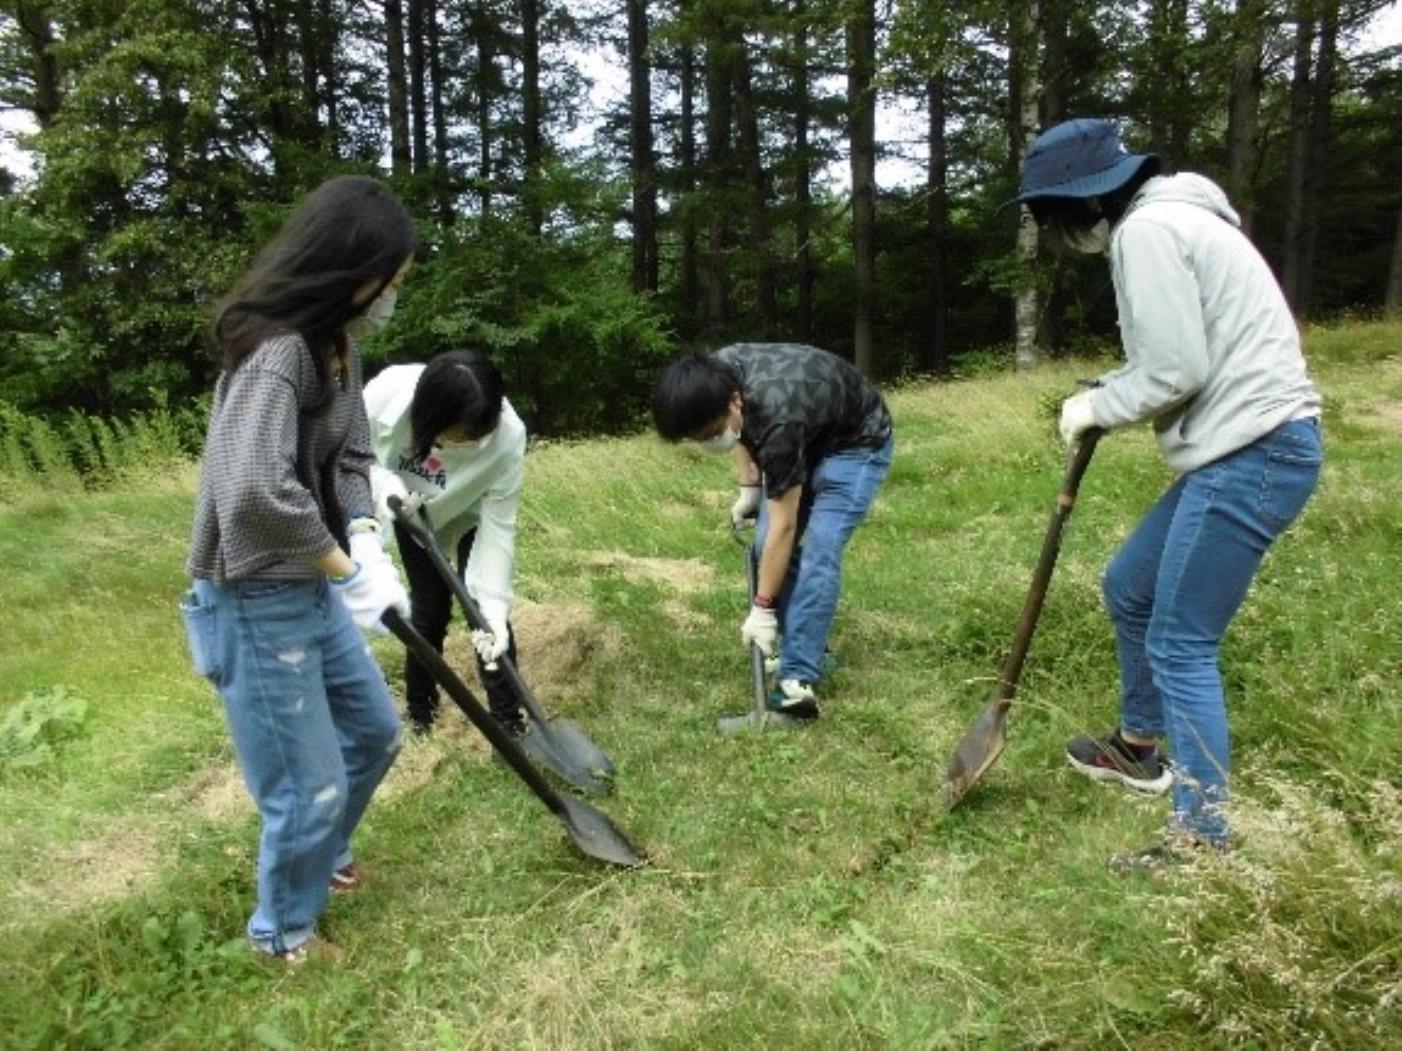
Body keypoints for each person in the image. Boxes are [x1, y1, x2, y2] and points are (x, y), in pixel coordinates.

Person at [1013, 118, 1324, 869]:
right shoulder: (1179, 216)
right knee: (1130, 585)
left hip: (1255, 451)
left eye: (1052, 214)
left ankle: (1203, 840)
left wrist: (1101, 407)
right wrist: (1113, 388)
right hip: (1243, 446)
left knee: (1182, 642)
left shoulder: (1147, 232)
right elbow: (1184, 353)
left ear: (1082, 201)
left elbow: (1175, 370)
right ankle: (1138, 748)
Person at [180, 175, 416, 962]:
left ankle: (322, 855)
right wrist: (341, 564)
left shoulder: (340, 348)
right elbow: (252, 489)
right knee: (304, 784)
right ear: (352, 269)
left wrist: (367, 532)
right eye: (392, 279)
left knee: (377, 734)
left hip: (309, 583)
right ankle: (281, 933)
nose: (392, 295)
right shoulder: (277, 353)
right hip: (254, 596)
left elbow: (350, 456)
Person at [653, 344, 894, 721]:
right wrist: (749, 487)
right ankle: (815, 647)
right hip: (807, 434)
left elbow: (785, 525)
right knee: (762, 548)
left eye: (713, 432)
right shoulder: (718, 373)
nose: (711, 441)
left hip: (856, 443)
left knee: (819, 549)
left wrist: (763, 609)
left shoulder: (778, 417)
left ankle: (797, 682)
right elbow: (742, 434)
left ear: (735, 401)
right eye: (700, 438)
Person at [363, 350, 528, 737]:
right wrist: (383, 483)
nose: (463, 442)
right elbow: (349, 454)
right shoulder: (386, 394)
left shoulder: (509, 436)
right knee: (430, 609)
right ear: (431, 414)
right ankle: (421, 712)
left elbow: (500, 524)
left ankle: (509, 723)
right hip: (409, 509)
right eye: (458, 433)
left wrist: (494, 604)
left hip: (469, 513)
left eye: (474, 436)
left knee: (486, 621)